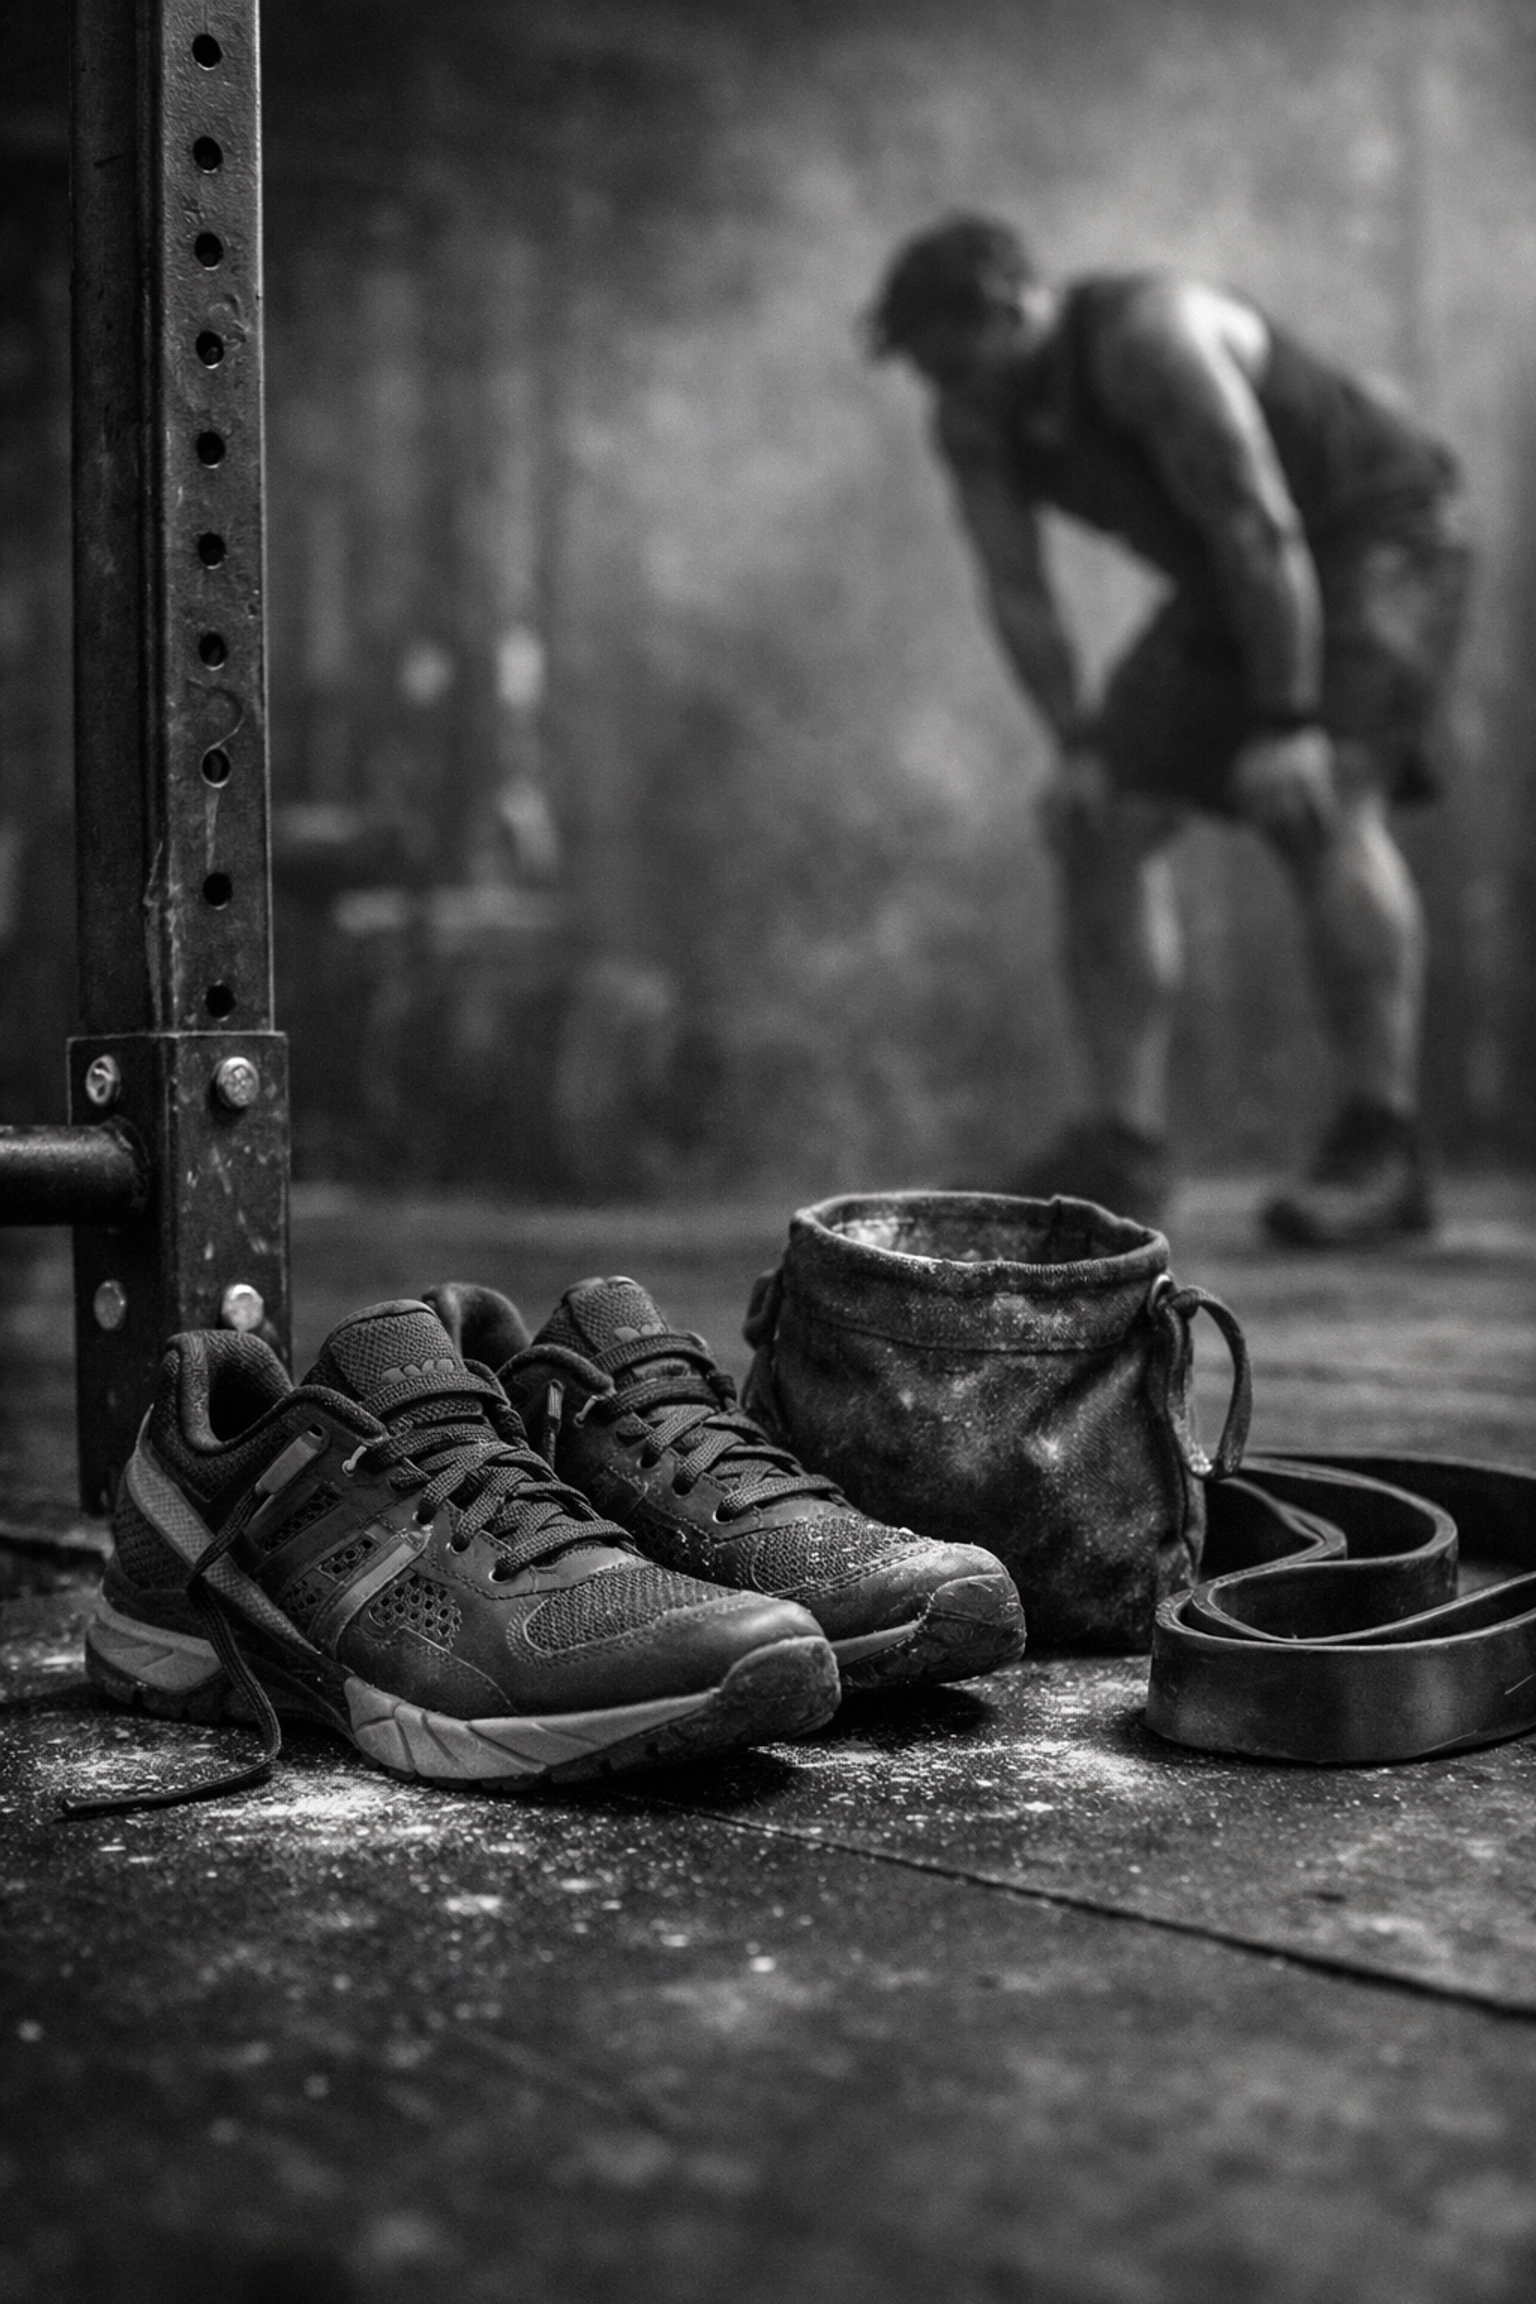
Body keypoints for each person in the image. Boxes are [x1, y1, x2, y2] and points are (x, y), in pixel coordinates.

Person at [866, 216, 1471, 1244]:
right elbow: (1019, 593)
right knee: (1100, 822)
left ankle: (1385, 1147)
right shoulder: (971, 419)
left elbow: (1255, 522)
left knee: (1322, 806)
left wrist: (1288, 719)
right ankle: (1122, 1152)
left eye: (962, 362)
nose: (952, 391)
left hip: (1379, 536)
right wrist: (1079, 746)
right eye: (931, 374)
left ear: (1016, 304)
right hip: (1233, 575)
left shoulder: (1152, 339)